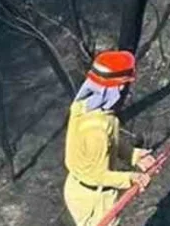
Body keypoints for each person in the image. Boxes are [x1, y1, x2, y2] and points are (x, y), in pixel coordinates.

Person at [63, 50, 156, 226]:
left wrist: (134, 155)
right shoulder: (95, 130)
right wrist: (131, 178)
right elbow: (96, 175)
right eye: (124, 85)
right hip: (93, 198)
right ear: (117, 87)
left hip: (87, 189)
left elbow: (110, 143)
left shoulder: (89, 108)